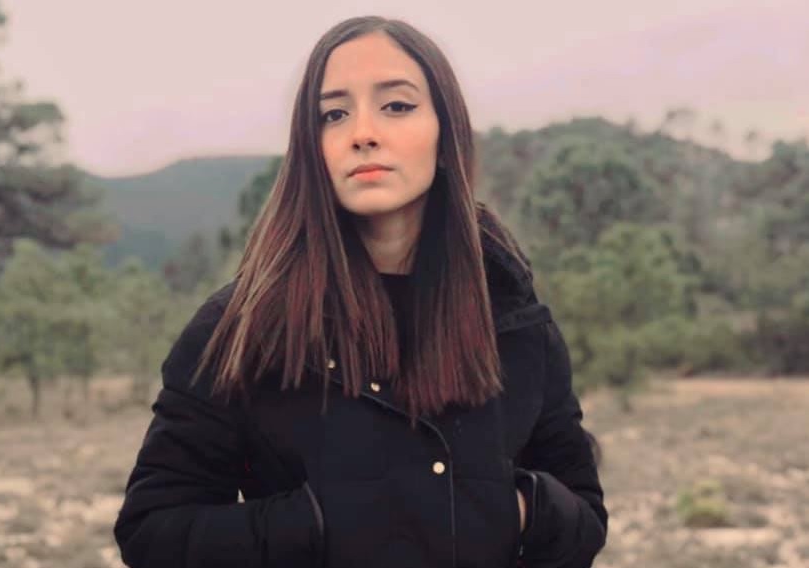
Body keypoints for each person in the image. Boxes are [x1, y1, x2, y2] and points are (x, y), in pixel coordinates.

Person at [114, 15, 607, 568]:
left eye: (396, 105)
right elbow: (153, 532)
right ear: (312, 147)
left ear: (446, 134)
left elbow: (584, 517)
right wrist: (320, 525)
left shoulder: (511, 316)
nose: (363, 133)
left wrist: (515, 511)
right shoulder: (240, 327)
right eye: (334, 114)